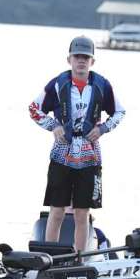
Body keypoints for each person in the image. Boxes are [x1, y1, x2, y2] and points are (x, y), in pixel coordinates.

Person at [28, 36, 125, 251]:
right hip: (62, 152)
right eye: (77, 56)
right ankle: (49, 256)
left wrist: (103, 128)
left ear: (92, 62)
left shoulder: (102, 85)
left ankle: (79, 257)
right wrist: (53, 126)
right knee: (57, 210)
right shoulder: (57, 84)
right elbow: (34, 109)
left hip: (90, 155)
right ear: (69, 59)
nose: (81, 61)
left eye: (85, 57)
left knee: (82, 213)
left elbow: (119, 112)